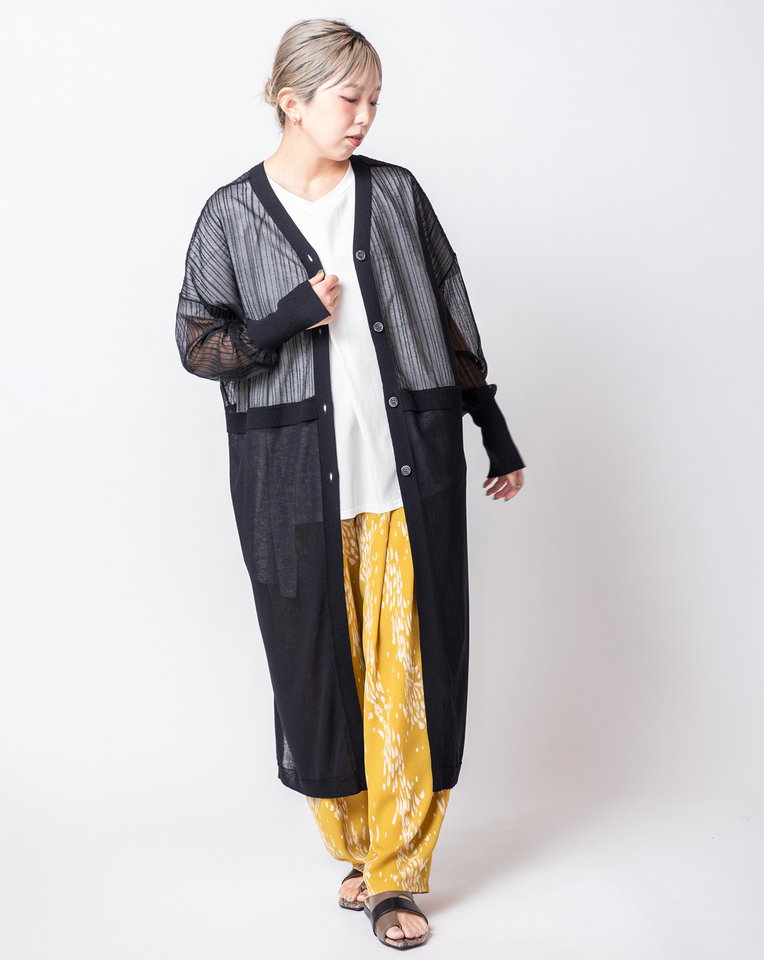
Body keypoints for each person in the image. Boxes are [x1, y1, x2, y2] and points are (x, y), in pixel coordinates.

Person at [175, 17, 525, 950]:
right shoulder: (231, 215)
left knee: (408, 676)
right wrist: (286, 317)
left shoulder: (396, 194)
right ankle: (360, 848)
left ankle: (398, 876)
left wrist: (491, 429)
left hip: (409, 473)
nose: (365, 115)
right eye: (348, 98)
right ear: (291, 100)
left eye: (374, 99)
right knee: (319, 672)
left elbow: (449, 313)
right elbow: (198, 344)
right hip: (292, 484)